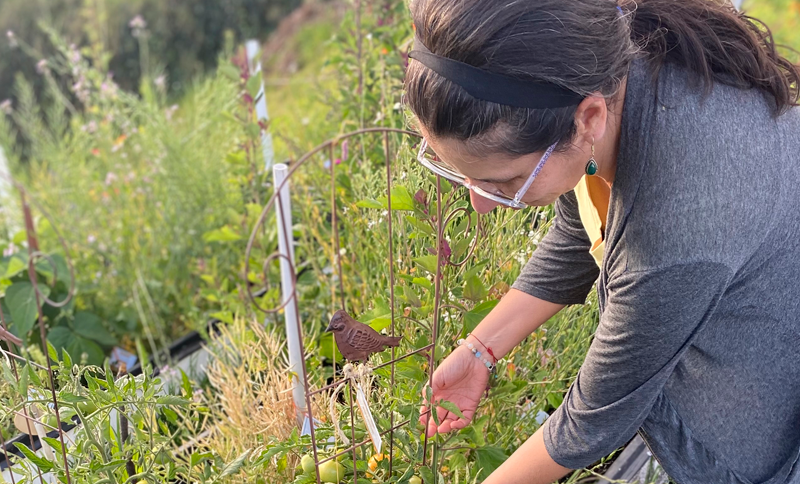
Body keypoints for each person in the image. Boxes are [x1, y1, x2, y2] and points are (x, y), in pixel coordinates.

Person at [403, 0, 800, 483]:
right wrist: (480, 349)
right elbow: (583, 228)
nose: (481, 204)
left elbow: (593, 418)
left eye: (504, 180)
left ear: (587, 118)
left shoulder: (683, 216)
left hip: (758, 422)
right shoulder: (607, 79)